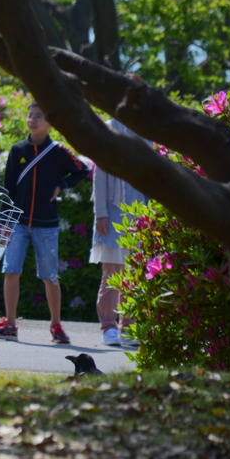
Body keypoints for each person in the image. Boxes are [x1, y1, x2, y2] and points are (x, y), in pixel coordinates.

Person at [0, 101, 89, 344]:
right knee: (11, 270)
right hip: (18, 222)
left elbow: (81, 170)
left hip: (47, 224)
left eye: (39, 116)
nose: (32, 120)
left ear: (50, 122)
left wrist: (62, 185)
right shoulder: (17, 150)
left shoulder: (58, 151)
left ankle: (56, 326)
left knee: (50, 276)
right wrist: (4, 220)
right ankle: (10, 324)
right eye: (30, 115)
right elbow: (8, 187)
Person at [91, 117, 148, 349]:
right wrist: (100, 212)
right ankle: (108, 326)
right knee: (112, 271)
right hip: (113, 211)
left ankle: (128, 327)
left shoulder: (146, 127)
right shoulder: (109, 126)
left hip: (140, 210)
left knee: (135, 272)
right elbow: (99, 174)